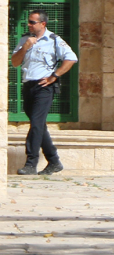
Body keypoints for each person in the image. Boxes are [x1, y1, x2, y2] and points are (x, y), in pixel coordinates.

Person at [12, 9, 78, 175]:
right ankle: (54, 161)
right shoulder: (25, 40)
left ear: (43, 24)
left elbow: (71, 58)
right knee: (39, 125)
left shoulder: (54, 40)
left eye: (33, 22)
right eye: (29, 22)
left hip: (44, 87)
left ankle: (31, 163)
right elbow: (15, 62)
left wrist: (54, 76)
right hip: (29, 85)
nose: (29, 25)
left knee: (36, 123)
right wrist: (25, 47)